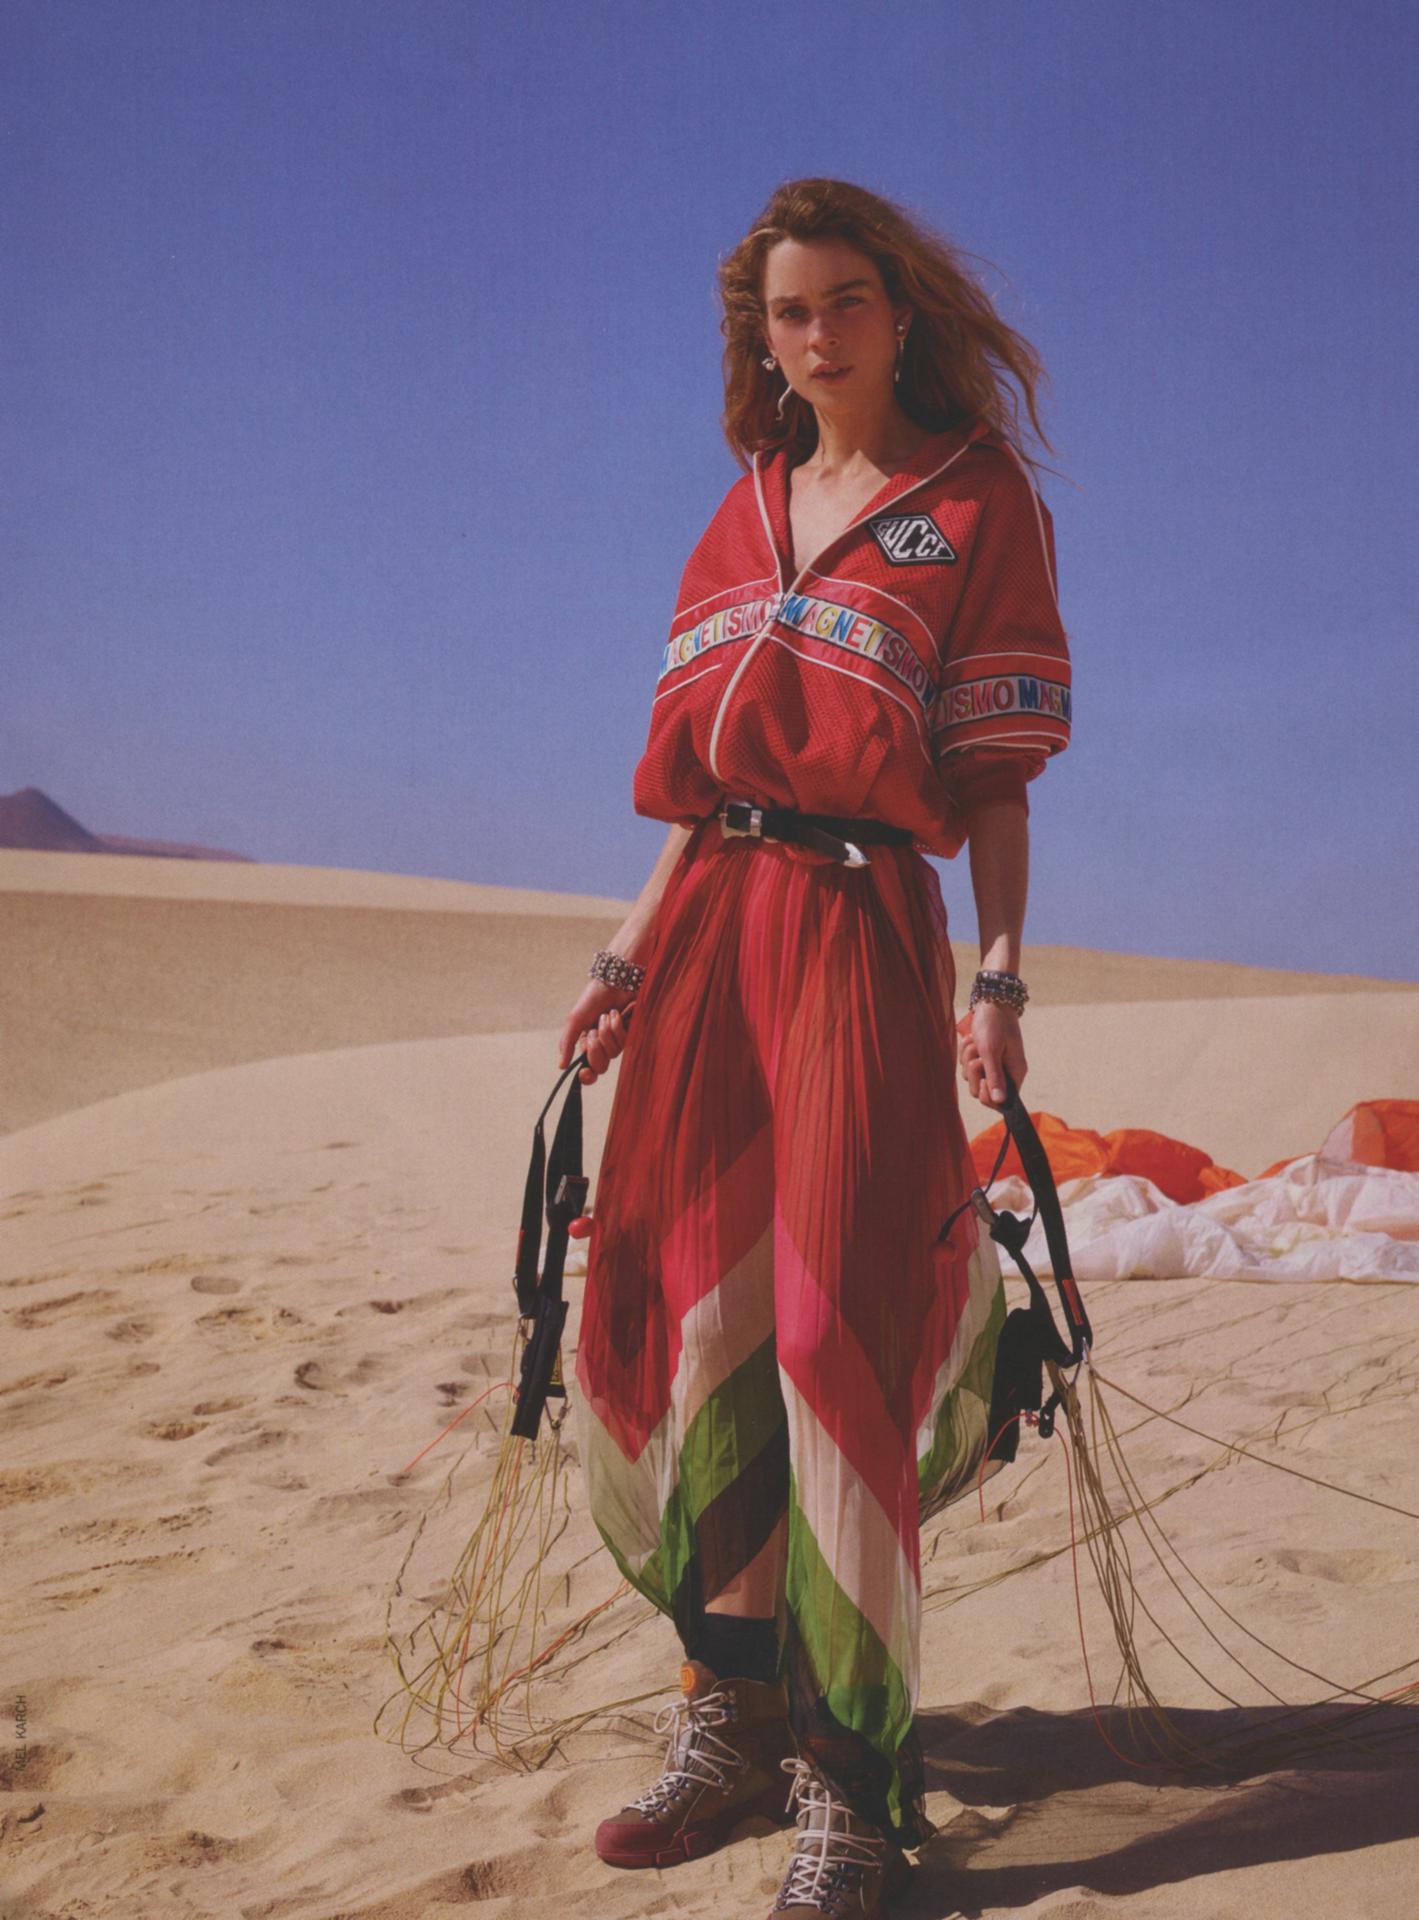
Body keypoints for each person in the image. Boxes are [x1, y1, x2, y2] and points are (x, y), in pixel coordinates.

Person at [557, 177, 1072, 1918]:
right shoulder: (742, 508)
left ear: (901, 313)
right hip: (710, 937)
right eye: (792, 311)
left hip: (856, 932)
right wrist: (622, 962)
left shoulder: (975, 502)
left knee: (827, 1332)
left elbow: (992, 781)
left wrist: (999, 979)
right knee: (697, 1317)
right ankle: (733, 1716)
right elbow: (695, 796)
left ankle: (852, 1784)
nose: (822, 333)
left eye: (850, 300)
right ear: (760, 338)